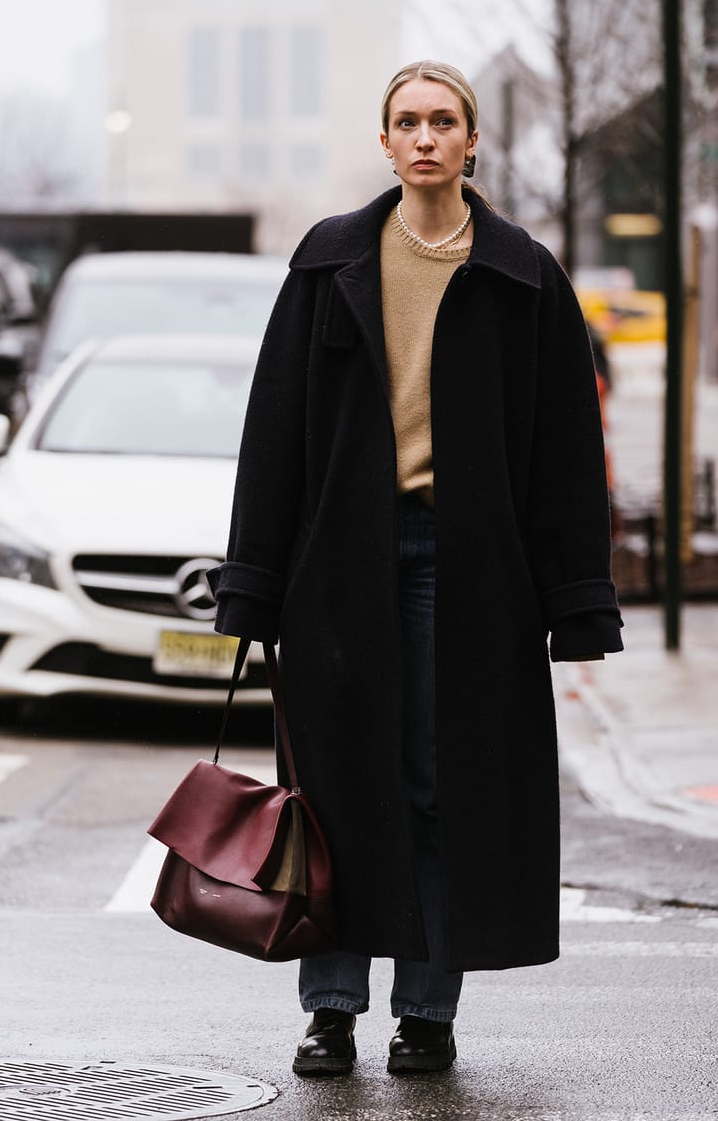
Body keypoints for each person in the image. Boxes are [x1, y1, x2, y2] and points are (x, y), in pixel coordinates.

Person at [207, 60, 623, 1077]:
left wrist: (574, 597)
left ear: (471, 142)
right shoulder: (329, 262)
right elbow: (273, 435)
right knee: (335, 788)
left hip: (468, 569)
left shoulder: (521, 274)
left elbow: (565, 448)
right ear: (384, 142)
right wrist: (253, 579)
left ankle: (426, 1013)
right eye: (407, 121)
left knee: (445, 786)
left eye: (443, 120)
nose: (426, 136)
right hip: (337, 568)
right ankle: (331, 1009)